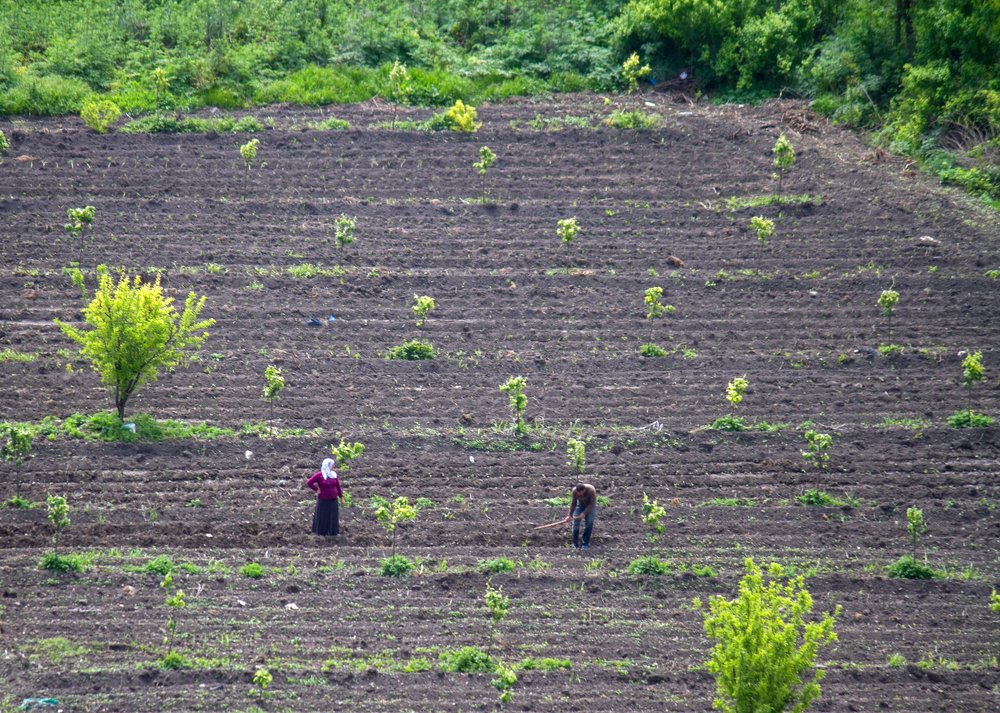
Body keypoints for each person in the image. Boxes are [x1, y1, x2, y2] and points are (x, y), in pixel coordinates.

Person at [306, 457, 344, 537]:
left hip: (333, 500)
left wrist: (341, 497)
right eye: (332, 465)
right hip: (323, 500)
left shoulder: (333, 475)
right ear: (328, 465)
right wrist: (316, 489)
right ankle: (321, 532)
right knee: (323, 516)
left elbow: (338, 486)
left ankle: (333, 532)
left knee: (332, 516)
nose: (333, 467)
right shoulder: (320, 475)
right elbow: (309, 482)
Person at [563, 482, 597, 549]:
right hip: (580, 505)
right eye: (578, 493)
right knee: (575, 524)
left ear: (584, 490)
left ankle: (585, 544)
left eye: (581, 493)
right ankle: (575, 544)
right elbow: (573, 503)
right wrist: (570, 515)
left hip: (590, 507)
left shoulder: (591, 490)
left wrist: (584, 513)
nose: (579, 494)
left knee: (589, 524)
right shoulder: (574, 491)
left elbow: (592, 504)